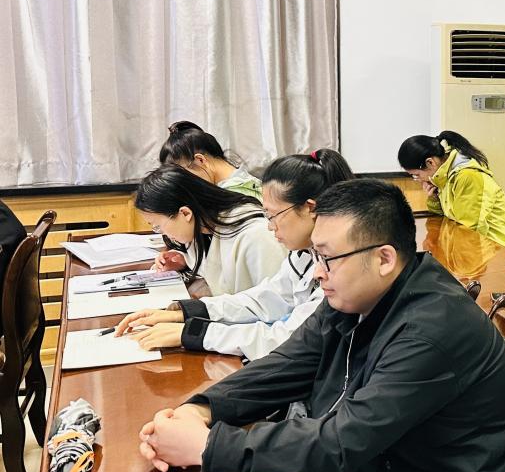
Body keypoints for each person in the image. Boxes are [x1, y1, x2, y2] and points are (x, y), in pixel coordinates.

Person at [137, 179, 505, 472]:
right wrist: (201, 409)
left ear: (384, 258)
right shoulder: (356, 296)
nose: (317, 273)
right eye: (314, 256)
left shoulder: (431, 331)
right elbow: (288, 363)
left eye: (327, 258)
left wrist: (208, 447)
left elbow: (346, 440)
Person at [114, 149, 354, 359]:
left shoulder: (339, 267)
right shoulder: (304, 254)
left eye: (273, 215)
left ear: (310, 208)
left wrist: (195, 333)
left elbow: (287, 337)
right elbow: (267, 298)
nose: (270, 226)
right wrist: (185, 313)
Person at [134, 165, 287, 296]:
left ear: (185, 213)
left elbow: (274, 302)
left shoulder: (256, 235)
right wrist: (184, 261)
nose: (162, 233)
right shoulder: (205, 230)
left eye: (158, 226)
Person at [397, 131, 505, 248]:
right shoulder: (443, 175)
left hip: (495, 250)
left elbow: (469, 231)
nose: (418, 180)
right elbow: (447, 218)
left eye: (417, 175)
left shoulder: (468, 177)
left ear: (430, 162)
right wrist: (434, 197)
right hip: (471, 245)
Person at [160, 121, 263, 198]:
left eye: (183, 177)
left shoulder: (234, 198)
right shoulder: (246, 183)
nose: (185, 186)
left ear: (200, 160)